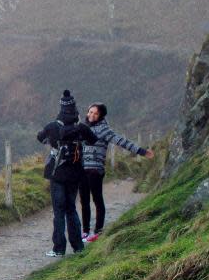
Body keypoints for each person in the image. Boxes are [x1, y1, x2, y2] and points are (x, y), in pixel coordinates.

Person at [79, 103, 154, 241]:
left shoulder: (104, 130)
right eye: (90, 112)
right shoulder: (82, 128)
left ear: (101, 116)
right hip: (82, 170)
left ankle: (98, 231)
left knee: (97, 199)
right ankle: (85, 231)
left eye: (95, 113)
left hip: (95, 169)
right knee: (84, 201)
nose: (92, 115)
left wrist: (142, 151)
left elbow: (121, 141)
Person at [37, 90, 99, 257]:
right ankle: (78, 247)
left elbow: (40, 137)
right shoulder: (81, 128)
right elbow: (93, 140)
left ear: (61, 108)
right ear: (74, 109)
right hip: (75, 174)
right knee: (71, 209)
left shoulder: (52, 127)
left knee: (59, 211)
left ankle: (58, 249)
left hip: (57, 174)